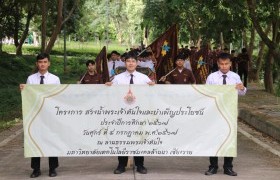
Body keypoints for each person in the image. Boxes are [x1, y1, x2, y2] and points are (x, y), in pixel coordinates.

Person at [106, 53, 154, 174]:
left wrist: (154, 87)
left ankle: (140, 165)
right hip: (123, 114)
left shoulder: (144, 78)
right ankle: (121, 165)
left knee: (139, 139)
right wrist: (107, 87)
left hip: (139, 114)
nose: (131, 63)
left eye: (133, 61)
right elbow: (111, 94)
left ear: (137, 63)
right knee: (122, 139)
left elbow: (152, 93)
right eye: (128, 61)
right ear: (125, 63)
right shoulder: (118, 78)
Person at [205, 53, 246, 176]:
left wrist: (241, 88)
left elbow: (242, 93)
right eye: (221, 64)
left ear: (230, 64)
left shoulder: (235, 77)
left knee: (229, 138)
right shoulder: (212, 77)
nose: (224, 66)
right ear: (218, 64)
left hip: (230, 113)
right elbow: (206, 93)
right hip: (214, 112)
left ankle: (228, 167)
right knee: (213, 139)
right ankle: (213, 166)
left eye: (226, 64)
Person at [19, 53, 60, 178]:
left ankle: (52, 168)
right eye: (40, 62)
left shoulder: (55, 79)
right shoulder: (31, 79)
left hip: (50, 114)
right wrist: (23, 90)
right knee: (35, 140)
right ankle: (36, 169)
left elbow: (58, 97)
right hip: (35, 115)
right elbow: (28, 96)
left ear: (49, 63)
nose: (42, 64)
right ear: (37, 64)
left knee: (51, 140)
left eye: (45, 62)